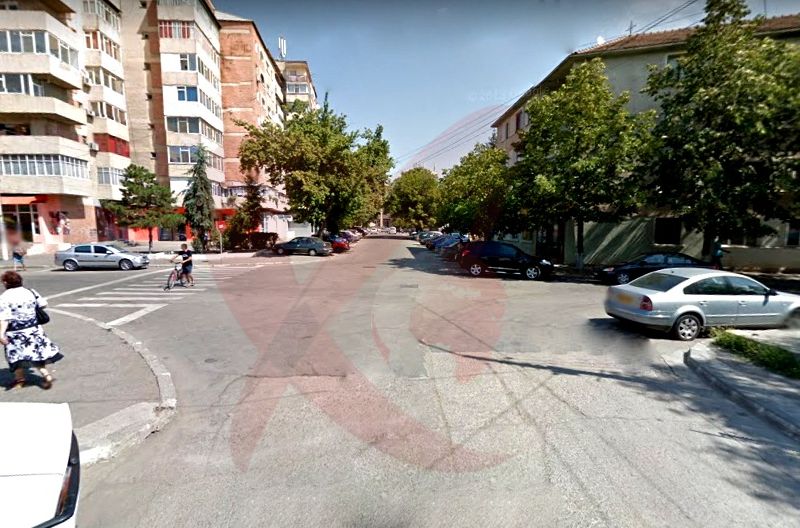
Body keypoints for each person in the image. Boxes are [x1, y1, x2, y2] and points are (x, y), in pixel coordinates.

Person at [0, 271, 62, 389]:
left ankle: (20, 380)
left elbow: (4, 317)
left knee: (16, 357)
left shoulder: (4, 297)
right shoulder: (30, 291)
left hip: (15, 332)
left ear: (6, 282)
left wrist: (1, 334)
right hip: (34, 329)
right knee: (36, 354)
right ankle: (46, 375)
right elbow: (43, 304)